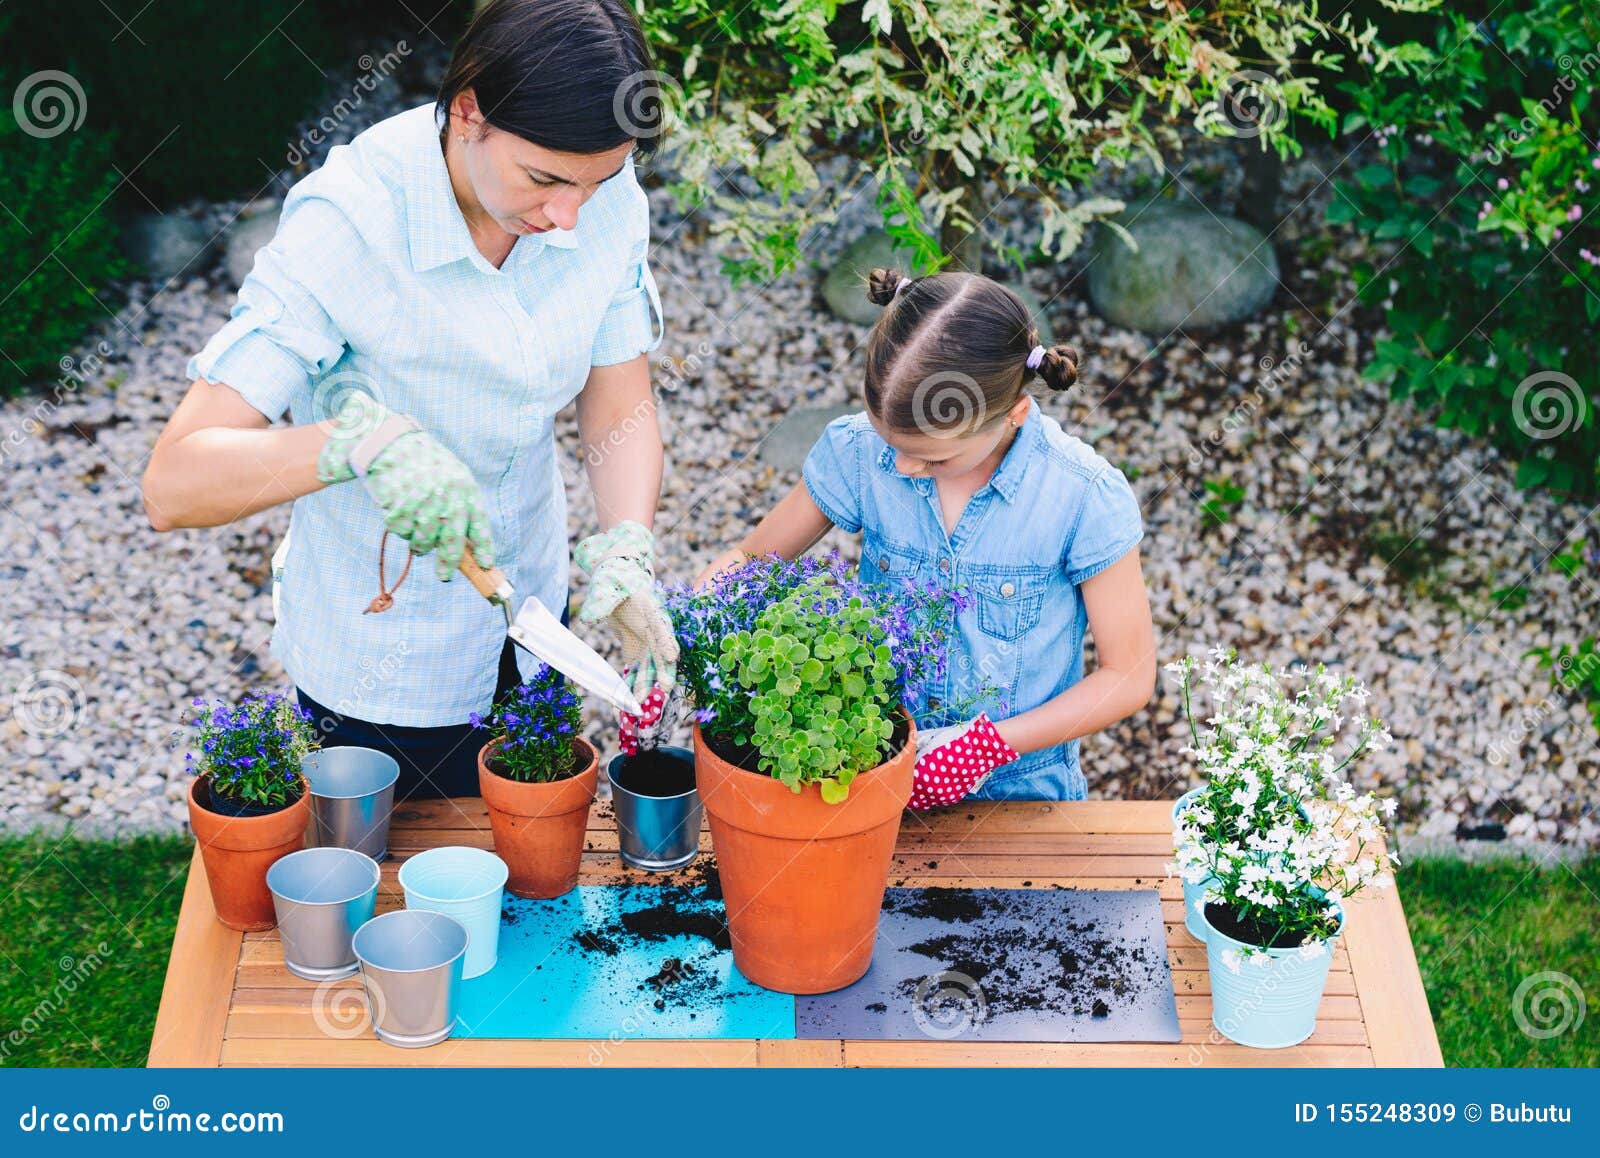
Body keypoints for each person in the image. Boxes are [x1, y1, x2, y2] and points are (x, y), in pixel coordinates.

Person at [141, 0, 677, 801]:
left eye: (595, 184)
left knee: (527, 878)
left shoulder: (597, 185)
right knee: (386, 901)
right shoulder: (348, 221)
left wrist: (628, 541)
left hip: (531, 618)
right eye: (545, 180)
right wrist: (361, 442)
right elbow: (173, 485)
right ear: (469, 112)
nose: (569, 216)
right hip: (379, 658)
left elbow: (619, 402)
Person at [698, 268, 1156, 804]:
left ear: (1014, 414)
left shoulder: (1080, 494)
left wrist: (984, 747)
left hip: (1021, 796)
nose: (903, 466)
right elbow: (751, 560)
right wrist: (682, 627)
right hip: (865, 772)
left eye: (934, 456)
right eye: (889, 441)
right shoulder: (858, 453)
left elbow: (1128, 674)